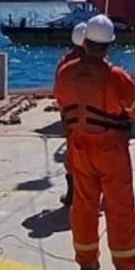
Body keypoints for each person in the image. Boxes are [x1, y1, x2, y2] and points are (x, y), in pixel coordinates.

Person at [53, 14, 135, 270]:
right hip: (111, 149)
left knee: (83, 206)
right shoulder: (116, 77)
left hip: (79, 147)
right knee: (119, 207)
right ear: (107, 46)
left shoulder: (65, 72)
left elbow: (61, 102)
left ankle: (86, 263)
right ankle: (125, 268)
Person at [56, 22, 87, 206]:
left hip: (71, 118)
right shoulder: (101, 64)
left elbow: (58, 91)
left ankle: (72, 192)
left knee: (73, 154)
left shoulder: (64, 63)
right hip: (97, 120)